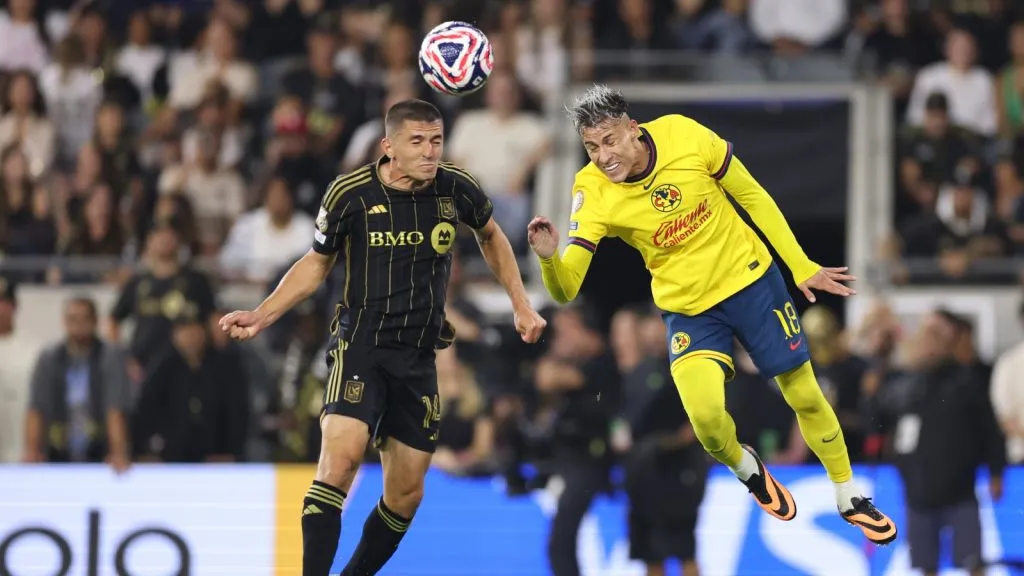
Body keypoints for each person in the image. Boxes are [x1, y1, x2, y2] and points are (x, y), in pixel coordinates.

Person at [527, 84, 897, 545]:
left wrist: (800, 265)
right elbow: (566, 291)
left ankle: (847, 494)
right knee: (704, 421)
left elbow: (753, 195)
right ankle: (749, 470)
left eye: (610, 141)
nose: (603, 156)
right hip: (688, 310)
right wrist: (547, 257)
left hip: (751, 281)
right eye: (591, 147)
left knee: (802, 393)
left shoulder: (684, 135)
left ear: (633, 130)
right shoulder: (592, 191)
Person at [219, 99, 547, 576]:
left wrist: (520, 303)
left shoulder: (455, 188)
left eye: (436, 140)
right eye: (417, 141)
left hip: (419, 356)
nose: (430, 152)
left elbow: (491, 236)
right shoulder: (350, 194)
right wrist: (264, 313)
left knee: (407, 493)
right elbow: (316, 262)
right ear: (388, 146)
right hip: (362, 346)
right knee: (341, 460)